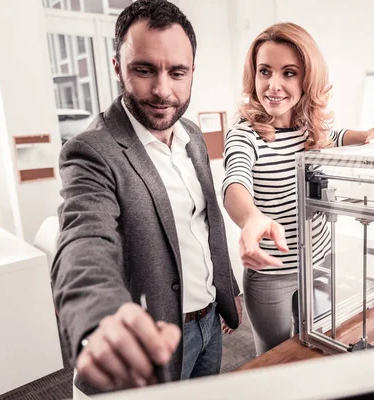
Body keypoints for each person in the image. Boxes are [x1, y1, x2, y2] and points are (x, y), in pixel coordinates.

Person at [52, 0, 241, 394]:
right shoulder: (91, 151)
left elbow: (206, 223)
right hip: (152, 339)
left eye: (177, 72)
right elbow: (83, 242)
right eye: (144, 69)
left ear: (192, 72)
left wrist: (227, 291)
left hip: (209, 324)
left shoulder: (190, 135)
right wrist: (101, 318)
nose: (162, 90)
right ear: (117, 66)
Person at [222, 22, 374, 355]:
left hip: (317, 261)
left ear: (308, 78)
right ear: (254, 75)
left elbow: (334, 136)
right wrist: (250, 218)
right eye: (265, 71)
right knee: (276, 356)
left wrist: (366, 135)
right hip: (270, 275)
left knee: (317, 346)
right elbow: (235, 181)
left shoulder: (310, 127)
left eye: (288, 73)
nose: (273, 86)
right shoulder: (244, 135)